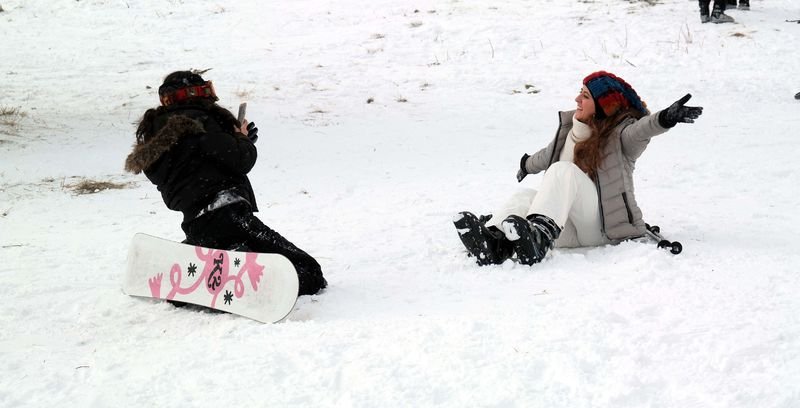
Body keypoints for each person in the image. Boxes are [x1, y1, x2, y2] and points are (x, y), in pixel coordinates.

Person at [454, 71, 702, 266]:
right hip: (567, 229)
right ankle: (496, 245)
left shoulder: (622, 136)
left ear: (603, 105)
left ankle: (538, 238)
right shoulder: (570, 129)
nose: (576, 99)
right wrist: (526, 164)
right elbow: (546, 156)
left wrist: (665, 118)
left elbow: (643, 129)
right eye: (579, 92)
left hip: (602, 229)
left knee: (563, 171)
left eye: (585, 95)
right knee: (525, 196)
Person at [125, 70, 327, 295]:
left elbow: (194, 164)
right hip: (228, 216)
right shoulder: (201, 121)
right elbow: (241, 160)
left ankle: (200, 271)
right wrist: (240, 137)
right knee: (309, 272)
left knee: (222, 250)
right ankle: (232, 269)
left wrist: (237, 140)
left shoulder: (154, 135)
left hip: (196, 223)